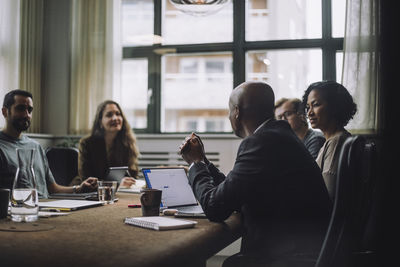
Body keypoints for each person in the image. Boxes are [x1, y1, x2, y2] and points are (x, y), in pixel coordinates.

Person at [179, 81, 332, 267]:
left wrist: (195, 164)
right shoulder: (278, 134)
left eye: (229, 111)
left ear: (237, 111)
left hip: (287, 256)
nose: (229, 117)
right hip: (309, 249)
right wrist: (204, 162)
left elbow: (215, 207)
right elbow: (235, 190)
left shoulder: (261, 141)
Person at [0, 89, 97, 198]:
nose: (27, 114)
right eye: (21, 108)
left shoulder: (35, 146)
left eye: (30, 110)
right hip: (19, 211)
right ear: (5, 112)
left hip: (48, 209)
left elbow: (52, 188)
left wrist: (79, 188)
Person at [302, 81, 357, 200]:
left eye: (316, 104)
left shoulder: (336, 142)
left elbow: (328, 197)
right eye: (308, 107)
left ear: (335, 106)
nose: (310, 113)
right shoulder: (332, 140)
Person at [78, 100, 140, 188]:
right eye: (109, 115)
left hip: (119, 193)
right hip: (88, 193)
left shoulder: (127, 143)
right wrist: (117, 185)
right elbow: (87, 180)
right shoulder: (87, 143)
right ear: (100, 122)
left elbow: (133, 174)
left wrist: (129, 182)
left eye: (118, 114)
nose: (115, 118)